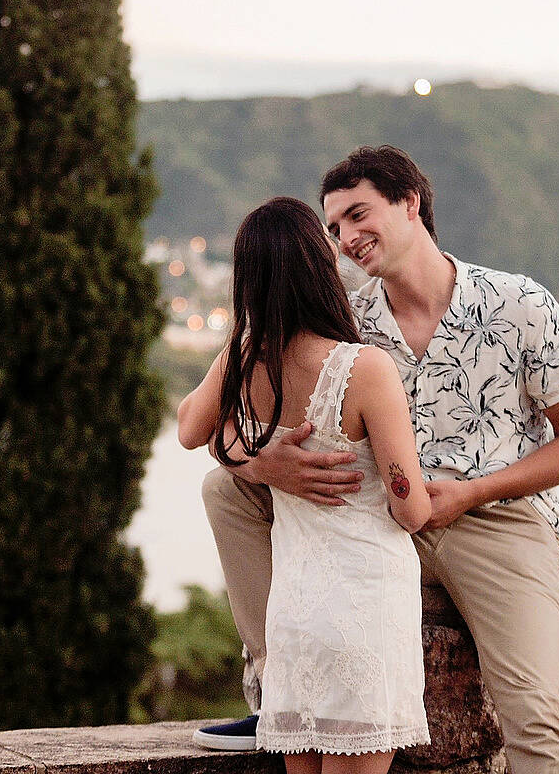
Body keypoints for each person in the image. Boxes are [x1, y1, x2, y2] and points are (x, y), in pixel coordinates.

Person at [196, 146, 559, 774]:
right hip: (377, 521)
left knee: (536, 715)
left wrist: (471, 493)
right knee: (224, 490)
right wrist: (260, 465)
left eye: (359, 215)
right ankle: (278, 685)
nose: (347, 238)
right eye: (333, 228)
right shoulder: (343, 321)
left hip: (497, 519)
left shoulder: (518, 303)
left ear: (411, 202)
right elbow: (218, 415)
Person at [177, 196, 432, 774]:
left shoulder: (245, 358)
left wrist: (251, 456)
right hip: (364, 609)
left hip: (293, 620)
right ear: (320, 266)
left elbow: (190, 427)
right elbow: (410, 508)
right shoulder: (365, 369)